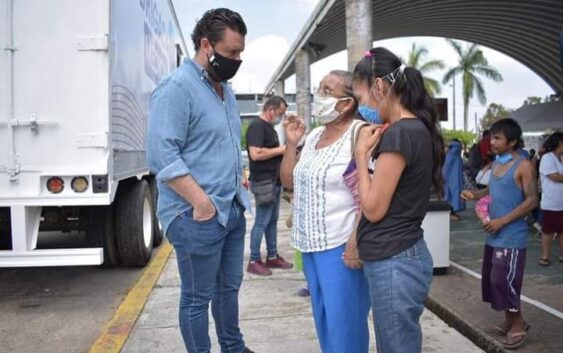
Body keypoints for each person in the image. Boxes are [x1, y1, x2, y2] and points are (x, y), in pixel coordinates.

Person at [147, 9, 256, 353]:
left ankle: (233, 347)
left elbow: (225, 142)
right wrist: (201, 202)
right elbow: (162, 154)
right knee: (197, 298)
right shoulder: (177, 88)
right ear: (206, 45)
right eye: (231, 52)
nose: (237, 59)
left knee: (229, 289)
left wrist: (240, 178)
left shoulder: (225, 89)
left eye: (240, 52)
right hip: (196, 216)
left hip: (232, 209)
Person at [352, 47, 444, 353]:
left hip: (395, 260)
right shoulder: (414, 129)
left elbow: (374, 208)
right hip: (399, 257)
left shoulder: (401, 134)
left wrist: (361, 155)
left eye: (362, 97)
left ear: (379, 86)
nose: (362, 106)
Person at [280, 70, 371, 353]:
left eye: (327, 91)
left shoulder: (360, 134)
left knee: (346, 326)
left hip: (341, 246)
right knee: (324, 321)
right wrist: (292, 143)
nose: (319, 95)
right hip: (310, 244)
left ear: (346, 103)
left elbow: (368, 195)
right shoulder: (316, 134)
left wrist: (355, 243)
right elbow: (288, 181)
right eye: (319, 88)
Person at [461, 118, 538, 350]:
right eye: (491, 137)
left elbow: (533, 200)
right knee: (494, 280)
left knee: (505, 280)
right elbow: (494, 189)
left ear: (512, 141)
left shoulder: (524, 166)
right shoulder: (496, 164)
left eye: (497, 138)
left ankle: (518, 323)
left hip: (512, 236)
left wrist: (502, 221)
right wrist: (475, 195)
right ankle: (508, 320)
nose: (491, 142)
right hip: (494, 234)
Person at [246, 96, 293, 275]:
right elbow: (255, 154)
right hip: (263, 182)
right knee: (262, 221)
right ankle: (254, 259)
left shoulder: (270, 128)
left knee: (272, 221)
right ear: (270, 110)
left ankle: (272, 256)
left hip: (273, 182)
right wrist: (280, 150)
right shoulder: (257, 126)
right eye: (280, 113)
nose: (280, 117)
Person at [538, 132, 563, 266]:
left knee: (562, 230)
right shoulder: (547, 158)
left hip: (561, 201)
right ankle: (545, 256)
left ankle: (562, 254)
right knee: (548, 230)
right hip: (551, 202)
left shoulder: (560, 158)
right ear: (559, 143)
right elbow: (554, 177)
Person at [443, 139, 466, 220]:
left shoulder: (452, 154)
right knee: (451, 194)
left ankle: (452, 212)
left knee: (452, 194)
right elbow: (457, 145)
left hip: (453, 178)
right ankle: (450, 213)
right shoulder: (452, 154)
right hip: (451, 178)